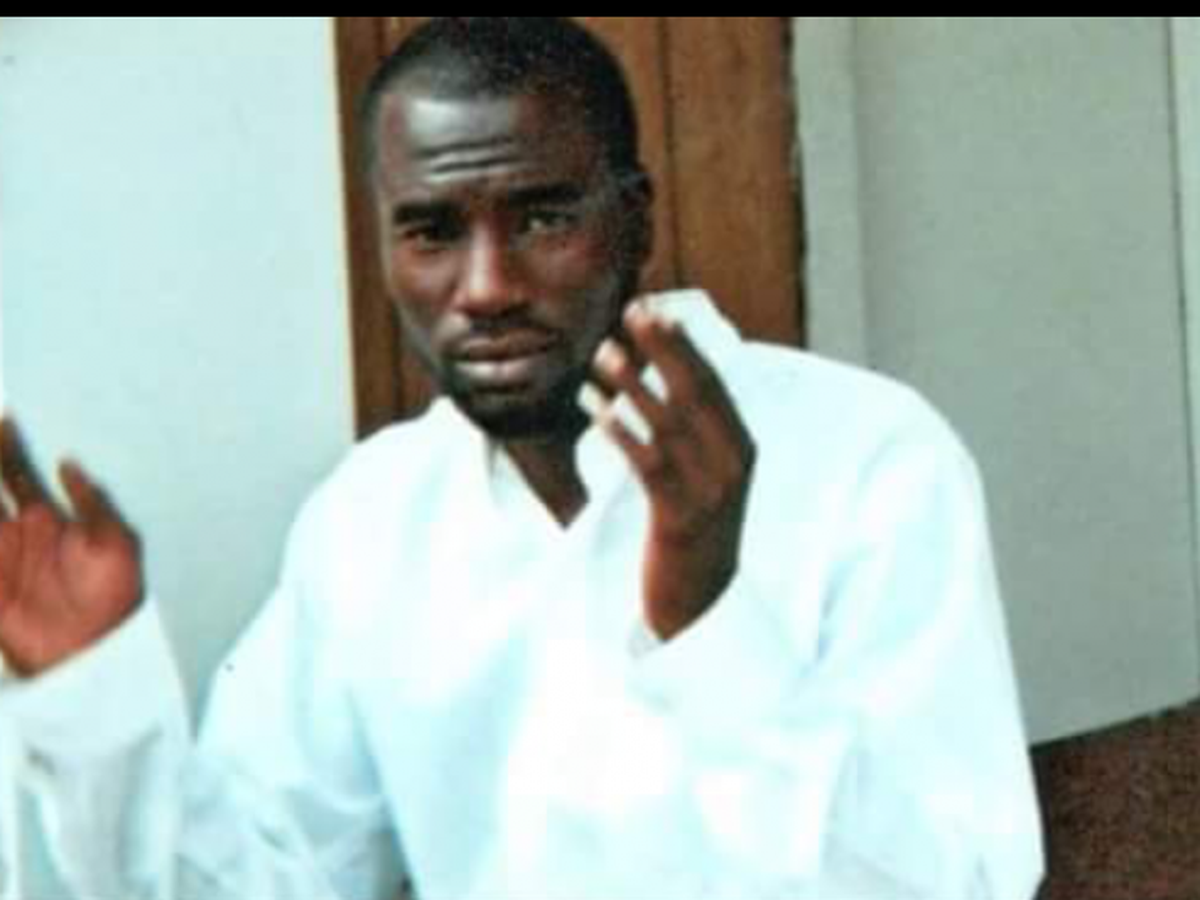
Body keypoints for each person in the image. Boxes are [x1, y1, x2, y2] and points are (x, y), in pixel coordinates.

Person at [0, 16, 1043, 900]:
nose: (487, 287)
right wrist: (92, 703)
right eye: (432, 232)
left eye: (543, 218)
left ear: (634, 221)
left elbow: (961, 884)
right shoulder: (376, 518)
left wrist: (709, 624)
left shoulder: (867, 460)